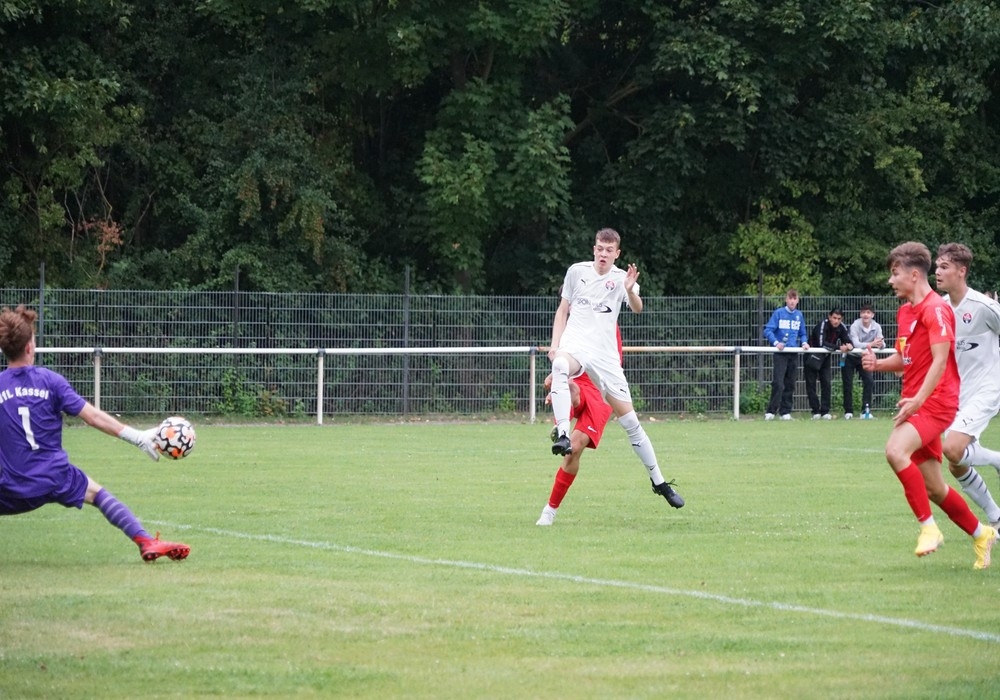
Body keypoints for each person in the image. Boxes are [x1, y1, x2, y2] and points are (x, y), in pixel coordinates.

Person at [0, 305, 190, 563]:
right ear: (29, 347)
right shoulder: (50, 381)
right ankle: (145, 541)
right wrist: (138, 438)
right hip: (56, 477)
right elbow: (93, 417)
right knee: (99, 495)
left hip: (12, 484)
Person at [862, 242, 996, 569]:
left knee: (895, 451)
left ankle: (929, 528)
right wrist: (878, 365)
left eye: (895, 273)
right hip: (916, 402)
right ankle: (982, 534)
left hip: (936, 403)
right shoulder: (905, 312)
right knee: (935, 488)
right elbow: (905, 359)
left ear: (913, 274)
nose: (890, 280)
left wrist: (919, 400)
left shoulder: (936, 309)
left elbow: (940, 360)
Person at [547, 227, 684, 508]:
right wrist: (554, 345)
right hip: (576, 349)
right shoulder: (576, 272)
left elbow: (637, 307)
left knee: (631, 423)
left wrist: (630, 290)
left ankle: (659, 482)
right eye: (599, 248)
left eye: (609, 250)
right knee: (560, 364)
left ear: (616, 254)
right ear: (594, 249)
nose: (603, 254)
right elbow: (563, 310)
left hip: (605, 359)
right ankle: (562, 434)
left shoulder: (622, 278)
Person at [934, 243, 1000, 528]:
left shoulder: (984, 307)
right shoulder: (940, 308)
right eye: (937, 266)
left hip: (987, 389)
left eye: (944, 267)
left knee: (952, 448)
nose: (937, 272)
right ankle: (996, 517)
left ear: (962, 271)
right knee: (956, 463)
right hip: (956, 394)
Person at [536, 370, 614, 526]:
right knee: (570, 389)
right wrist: (557, 379)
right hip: (579, 382)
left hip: (602, 392)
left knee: (574, 449)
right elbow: (568, 360)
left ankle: (550, 510)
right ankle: (561, 431)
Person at [763, 289, 810, 420]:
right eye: (790, 298)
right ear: (786, 299)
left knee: (790, 383)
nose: (792, 301)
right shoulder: (778, 313)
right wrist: (776, 343)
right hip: (781, 354)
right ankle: (771, 411)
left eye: (794, 299)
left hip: (793, 353)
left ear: (798, 300)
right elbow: (768, 330)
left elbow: (803, 333)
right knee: (778, 383)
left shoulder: (799, 315)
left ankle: (785, 412)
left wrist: (804, 342)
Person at [803, 307, 852, 419]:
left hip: (825, 357)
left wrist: (849, 345)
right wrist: (839, 348)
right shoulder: (823, 325)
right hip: (812, 356)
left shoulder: (842, 327)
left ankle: (825, 412)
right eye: (834, 318)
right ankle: (816, 412)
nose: (836, 321)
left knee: (826, 383)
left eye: (839, 319)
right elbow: (822, 343)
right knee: (811, 384)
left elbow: (847, 340)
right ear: (829, 317)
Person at [842, 303, 884, 419]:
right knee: (848, 383)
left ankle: (865, 411)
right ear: (860, 314)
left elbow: (882, 343)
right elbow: (856, 344)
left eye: (868, 312)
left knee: (869, 381)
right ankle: (848, 412)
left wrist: (880, 344)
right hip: (850, 356)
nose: (866, 315)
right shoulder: (855, 325)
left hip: (864, 357)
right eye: (864, 312)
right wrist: (872, 344)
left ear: (872, 315)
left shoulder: (877, 327)